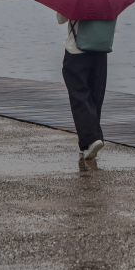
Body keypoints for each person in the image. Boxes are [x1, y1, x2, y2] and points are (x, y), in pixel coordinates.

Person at [58, 12, 107, 160]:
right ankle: (86, 143)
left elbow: (61, 19)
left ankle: (91, 139)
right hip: (99, 50)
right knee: (95, 95)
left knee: (78, 95)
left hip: (76, 50)